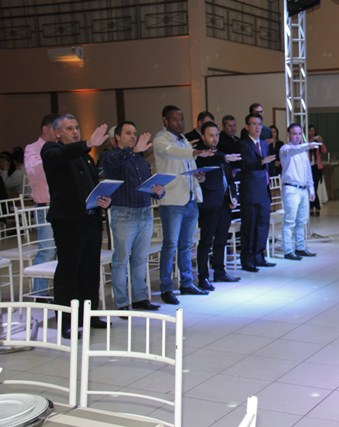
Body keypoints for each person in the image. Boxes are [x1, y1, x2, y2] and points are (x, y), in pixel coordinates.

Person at [41, 114, 112, 338]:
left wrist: (104, 200)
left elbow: (92, 185)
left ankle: (89, 315)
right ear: (57, 133)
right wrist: (88, 143)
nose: (75, 132)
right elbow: (61, 155)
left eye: (77, 127)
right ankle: (66, 322)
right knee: (69, 272)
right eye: (69, 128)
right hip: (68, 223)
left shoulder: (84, 156)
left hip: (90, 219)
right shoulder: (51, 151)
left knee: (90, 270)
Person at [100, 121, 165, 312]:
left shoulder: (140, 159)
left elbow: (146, 186)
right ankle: (121, 302)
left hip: (144, 212)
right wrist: (134, 151)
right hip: (123, 213)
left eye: (134, 133)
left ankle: (140, 298)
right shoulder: (110, 156)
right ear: (117, 137)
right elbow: (116, 165)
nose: (133, 136)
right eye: (128, 133)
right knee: (121, 260)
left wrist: (158, 192)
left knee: (140, 259)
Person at [153, 105, 215, 305]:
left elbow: (189, 163)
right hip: (172, 200)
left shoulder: (184, 140)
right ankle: (166, 287)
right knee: (170, 245)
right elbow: (173, 153)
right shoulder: (161, 140)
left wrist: (199, 176)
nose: (179, 123)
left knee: (187, 244)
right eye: (174, 119)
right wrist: (195, 151)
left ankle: (186, 282)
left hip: (189, 198)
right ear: (165, 121)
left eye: (181, 119)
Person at [195, 122, 241, 286]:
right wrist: (224, 157)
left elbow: (230, 179)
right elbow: (202, 170)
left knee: (221, 239)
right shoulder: (200, 155)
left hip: (224, 202)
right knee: (206, 241)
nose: (214, 138)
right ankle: (203, 277)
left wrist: (234, 197)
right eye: (211, 135)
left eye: (216, 135)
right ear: (203, 137)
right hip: (209, 203)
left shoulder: (221, 154)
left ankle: (220, 271)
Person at [24, 113, 58, 296]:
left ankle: (60, 292)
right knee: (47, 251)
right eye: (55, 129)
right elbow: (34, 169)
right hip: (45, 205)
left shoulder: (60, 147)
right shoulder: (33, 149)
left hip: (62, 204)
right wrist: (52, 157)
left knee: (63, 250)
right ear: (45, 128)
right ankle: (40, 294)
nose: (58, 133)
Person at [239, 113, 276, 272]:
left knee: (262, 225)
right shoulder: (243, 144)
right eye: (253, 124)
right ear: (247, 126)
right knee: (249, 227)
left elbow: (268, 167)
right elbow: (245, 164)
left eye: (259, 124)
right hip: (250, 191)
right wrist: (261, 161)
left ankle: (259, 256)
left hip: (263, 190)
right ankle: (247, 260)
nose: (257, 127)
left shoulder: (264, 144)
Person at [279, 123, 321, 260]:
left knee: (302, 221)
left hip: (303, 189)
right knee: (290, 221)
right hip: (291, 189)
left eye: (299, 134)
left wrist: (311, 189)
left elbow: (308, 172)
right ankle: (288, 251)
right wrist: (308, 145)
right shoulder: (285, 149)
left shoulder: (303, 152)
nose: (297, 137)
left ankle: (300, 248)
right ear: (289, 135)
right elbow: (293, 151)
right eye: (294, 134)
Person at [307, 125, 327, 216]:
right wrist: (309, 142)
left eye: (313, 131)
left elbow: (324, 151)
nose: (311, 132)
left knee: (314, 188)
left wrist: (321, 142)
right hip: (308, 167)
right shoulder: (306, 141)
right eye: (310, 131)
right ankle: (315, 207)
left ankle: (314, 207)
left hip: (317, 167)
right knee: (310, 188)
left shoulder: (317, 142)